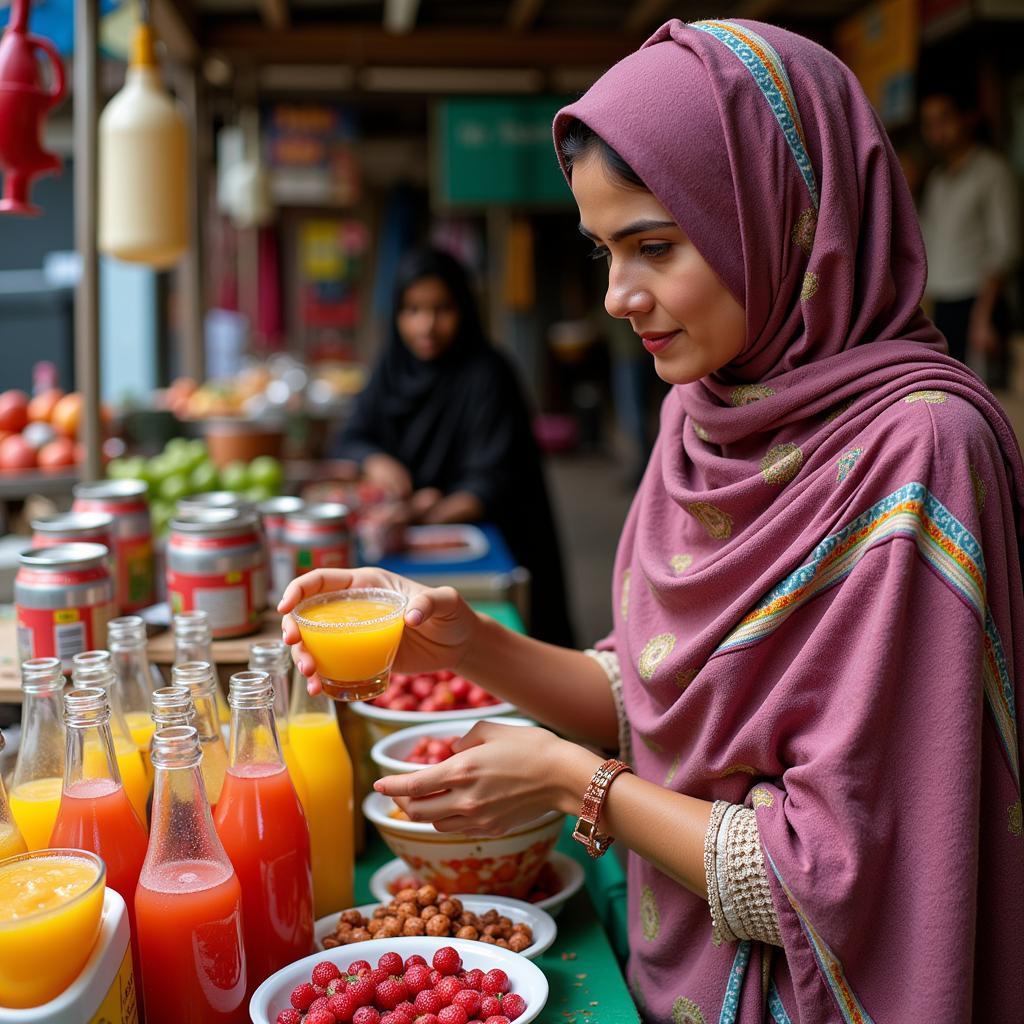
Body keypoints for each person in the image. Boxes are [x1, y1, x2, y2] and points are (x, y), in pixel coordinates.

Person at [283, 20, 1024, 1023]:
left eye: (656, 247)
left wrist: (572, 781)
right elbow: (655, 691)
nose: (616, 297)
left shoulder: (924, 456)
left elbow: (830, 879)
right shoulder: (700, 416)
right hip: (668, 971)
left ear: (785, 219)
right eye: (602, 249)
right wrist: (463, 640)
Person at [334, 246, 574, 646]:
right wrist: (376, 461)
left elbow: (494, 480)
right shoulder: (392, 368)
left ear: (464, 308)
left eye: (441, 308)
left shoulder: (489, 373)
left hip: (494, 543)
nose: (426, 325)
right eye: (412, 310)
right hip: (413, 535)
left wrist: (427, 515)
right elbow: (350, 436)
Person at [919, 83, 1020, 387]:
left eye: (944, 119)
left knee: (989, 400)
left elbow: (1006, 248)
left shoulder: (993, 171)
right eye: (929, 124)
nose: (937, 131)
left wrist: (983, 318)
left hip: (981, 304)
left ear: (966, 118)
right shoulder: (936, 182)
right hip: (944, 309)